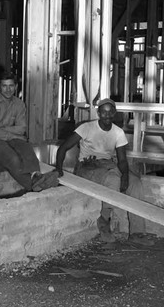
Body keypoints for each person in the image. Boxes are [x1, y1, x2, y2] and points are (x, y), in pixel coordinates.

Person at [55, 98, 151, 244]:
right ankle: (104, 220)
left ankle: (137, 233)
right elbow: (63, 148)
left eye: (110, 111)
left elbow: (122, 160)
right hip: (87, 166)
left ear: (114, 113)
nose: (107, 115)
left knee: (135, 183)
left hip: (107, 165)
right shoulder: (86, 128)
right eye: (104, 112)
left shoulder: (118, 132)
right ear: (99, 113)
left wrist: (125, 175)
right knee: (113, 179)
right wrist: (58, 169)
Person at [0, 71, 58, 192]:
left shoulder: (19, 104)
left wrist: (3, 130)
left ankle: (36, 176)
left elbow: (21, 128)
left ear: (15, 87)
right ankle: (35, 186)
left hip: (7, 135)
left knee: (26, 147)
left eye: (11, 86)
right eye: (4, 86)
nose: (8, 89)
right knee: (13, 158)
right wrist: (10, 133)